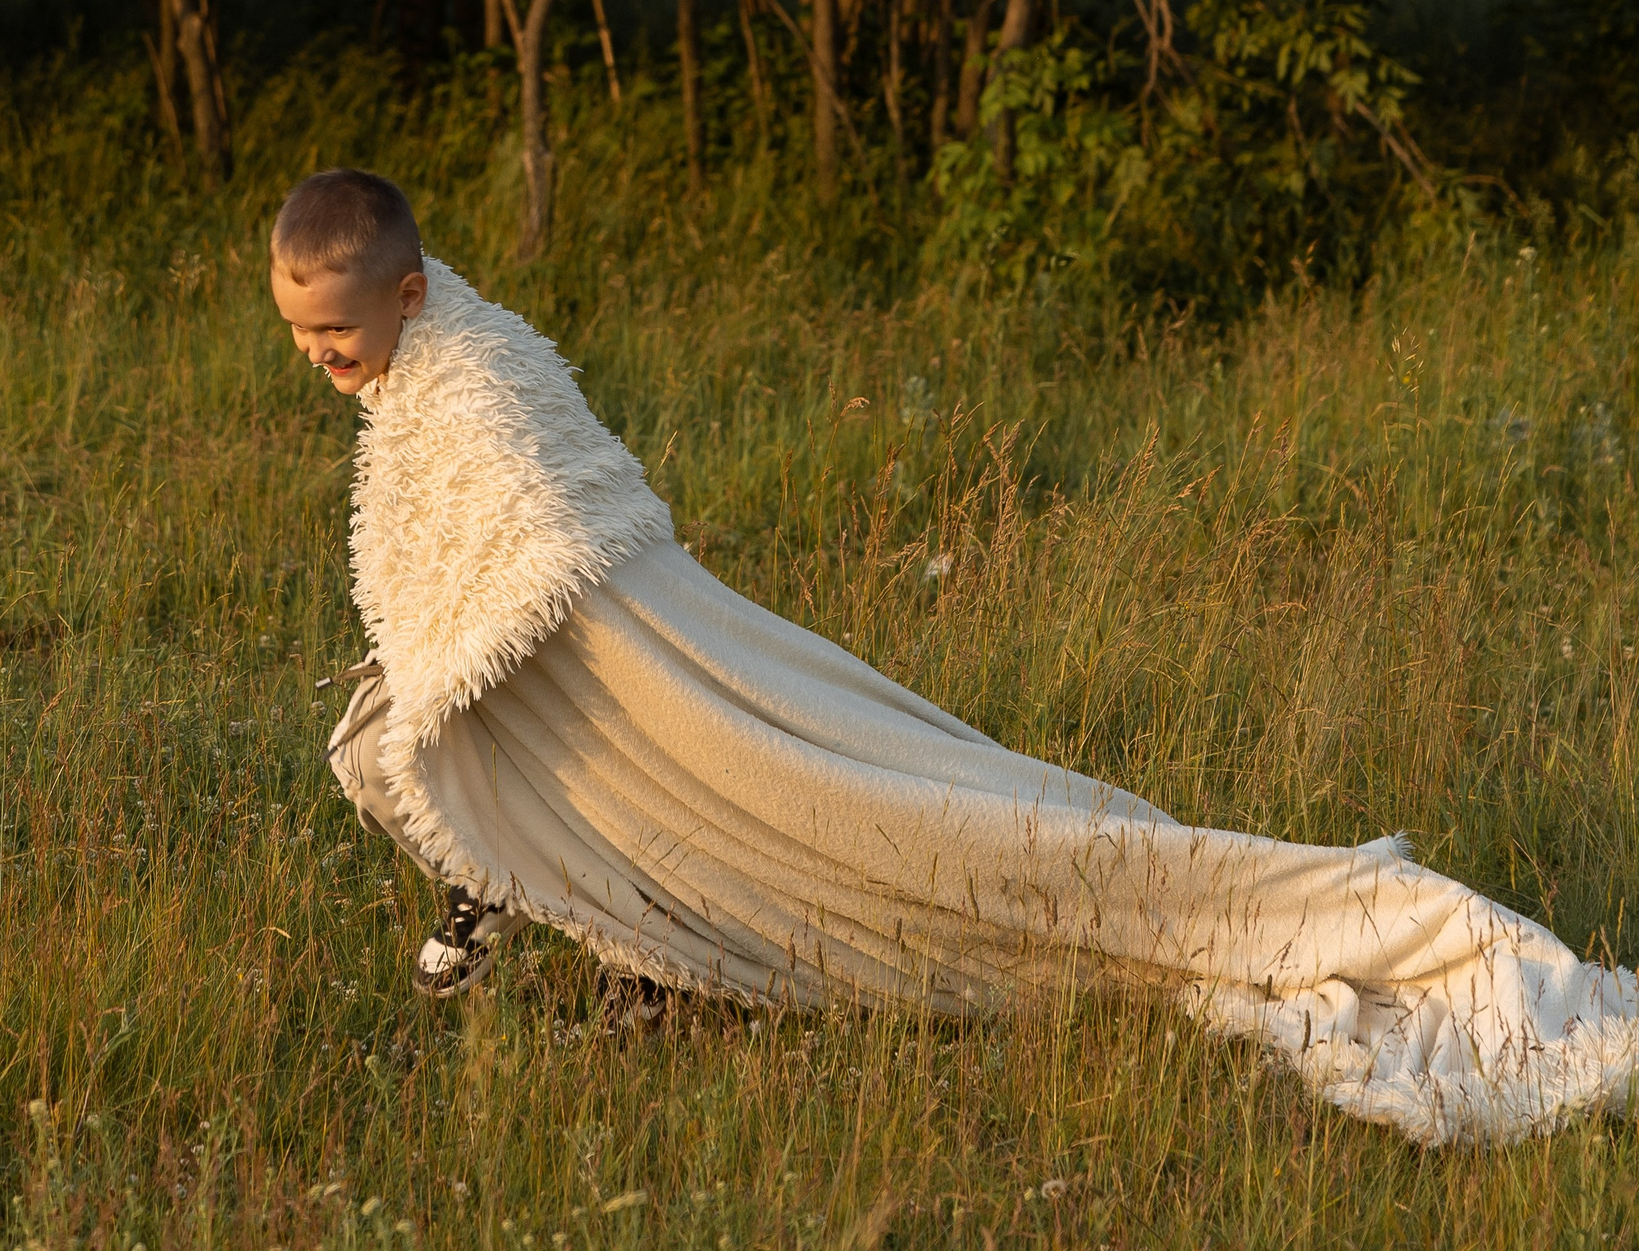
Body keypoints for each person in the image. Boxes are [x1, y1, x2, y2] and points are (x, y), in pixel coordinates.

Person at [268, 167, 1639, 1148]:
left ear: (412, 293)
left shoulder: (474, 380)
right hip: (564, 634)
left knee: (857, 807)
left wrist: (455, 674)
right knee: (395, 742)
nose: (318, 356)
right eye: (298, 333)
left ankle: (622, 930)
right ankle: (628, 938)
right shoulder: (428, 357)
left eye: (335, 331)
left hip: (629, 646)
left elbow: (541, 544)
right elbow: (463, 551)